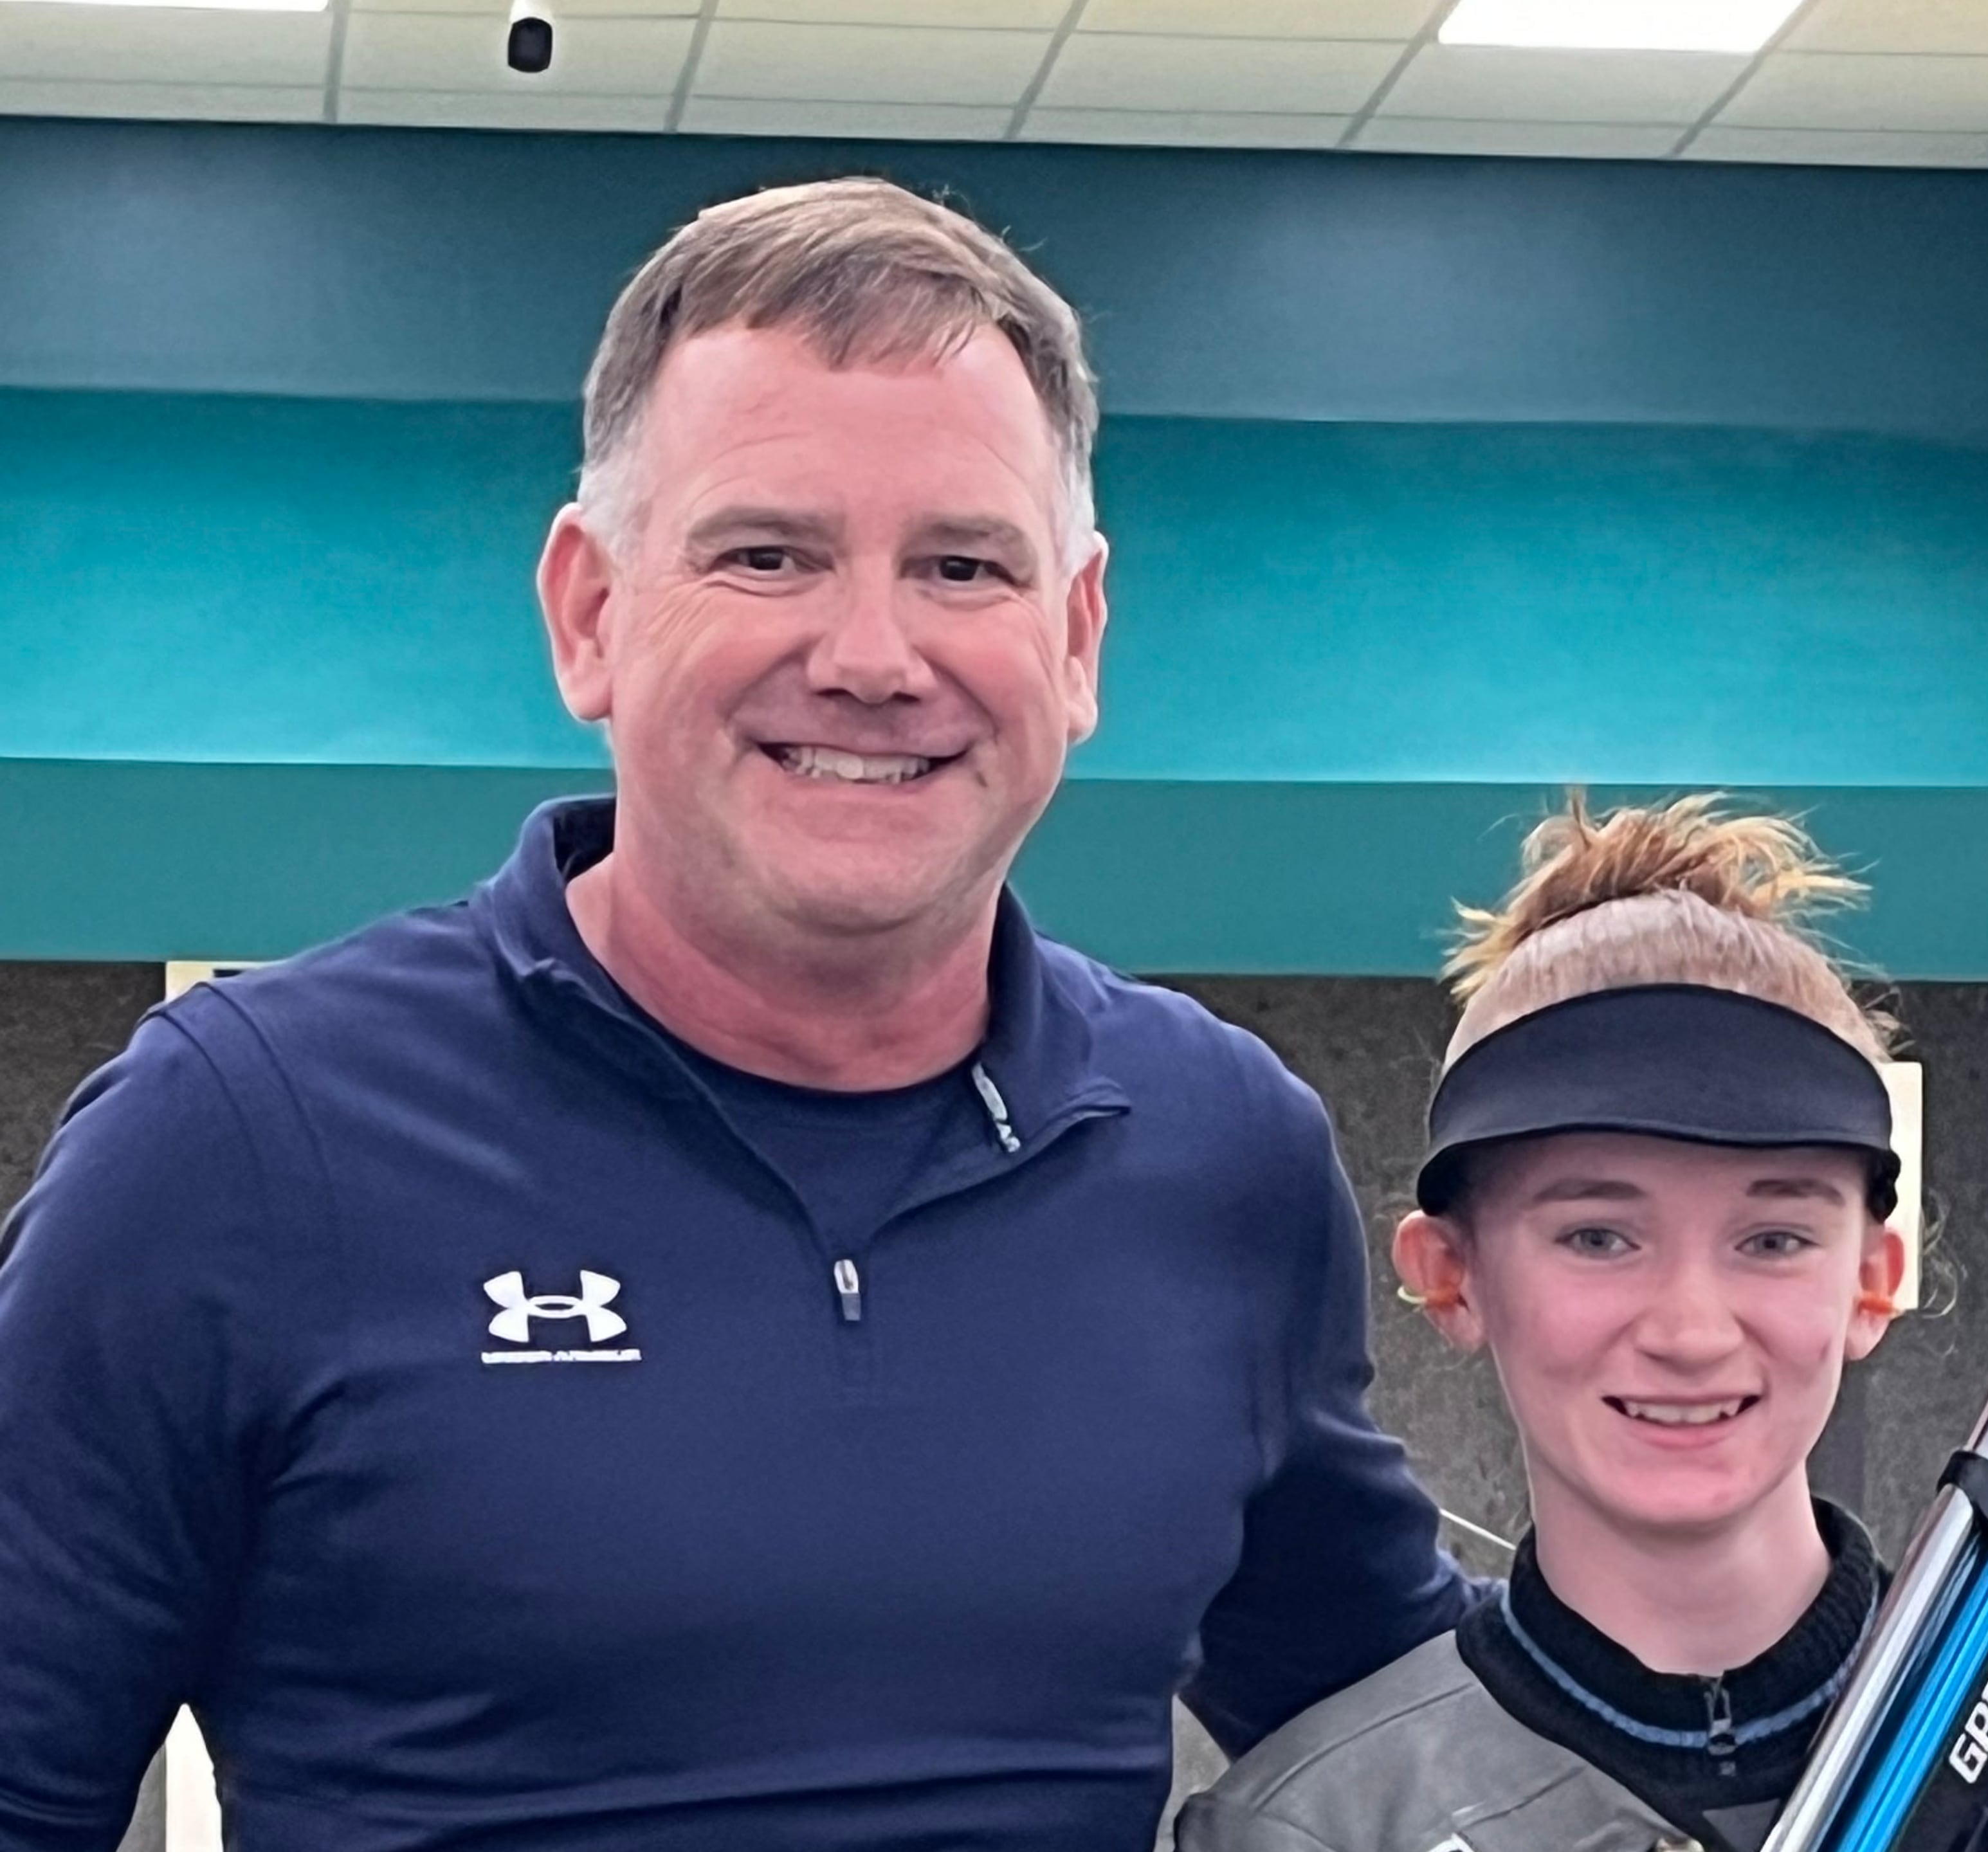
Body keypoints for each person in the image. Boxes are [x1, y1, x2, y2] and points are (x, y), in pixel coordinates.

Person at [0, 179, 1473, 1850]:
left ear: (1074, 642)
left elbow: (1422, 1738)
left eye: (963, 565)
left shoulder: (1222, 1156)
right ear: (591, 613)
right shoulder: (239, 1142)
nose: (871, 653)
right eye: (767, 553)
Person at [1178, 797, 1988, 1852]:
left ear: (1872, 1282)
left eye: (1771, 1240)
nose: (1691, 1329)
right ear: (1452, 1277)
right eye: (1598, 1237)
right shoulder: (1315, 1825)